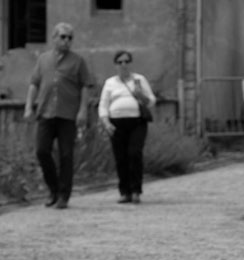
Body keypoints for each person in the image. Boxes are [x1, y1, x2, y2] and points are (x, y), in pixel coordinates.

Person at [24, 23, 96, 210]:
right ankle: (53, 189)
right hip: (46, 112)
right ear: (54, 38)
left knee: (66, 155)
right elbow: (34, 83)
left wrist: (82, 111)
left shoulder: (78, 61)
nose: (66, 41)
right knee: (41, 151)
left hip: (67, 115)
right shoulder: (43, 59)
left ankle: (64, 195)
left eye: (70, 37)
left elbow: (85, 86)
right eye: (63, 37)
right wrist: (28, 107)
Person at [98, 50, 156, 204]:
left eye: (126, 61)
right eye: (120, 62)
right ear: (115, 65)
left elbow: (151, 101)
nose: (123, 65)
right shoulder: (110, 83)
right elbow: (103, 104)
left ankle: (136, 190)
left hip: (136, 121)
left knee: (134, 153)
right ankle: (125, 192)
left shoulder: (139, 80)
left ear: (130, 63)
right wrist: (106, 123)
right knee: (120, 157)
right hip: (116, 123)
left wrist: (140, 95)